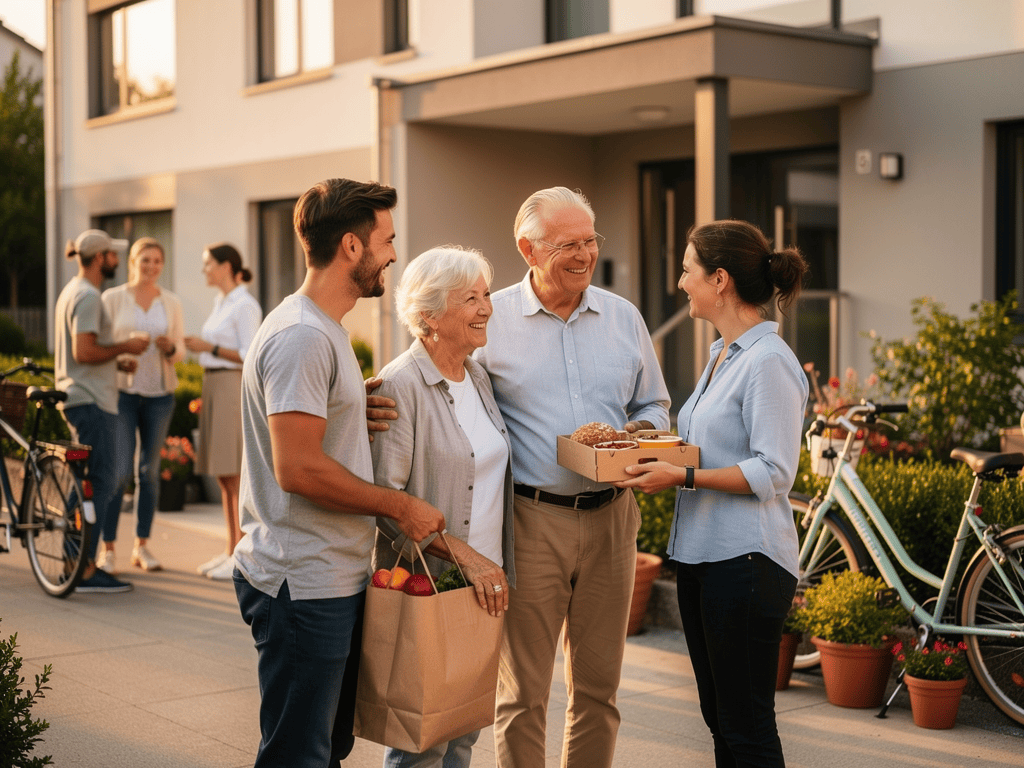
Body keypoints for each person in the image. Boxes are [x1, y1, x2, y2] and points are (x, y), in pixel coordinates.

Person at [366, 187, 670, 767]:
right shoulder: (489, 320)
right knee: (520, 693)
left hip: (613, 518)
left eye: (590, 241)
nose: (584, 255)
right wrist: (364, 401)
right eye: (567, 245)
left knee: (600, 690)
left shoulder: (623, 316)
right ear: (528, 249)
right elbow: (430, 380)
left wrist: (637, 435)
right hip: (531, 522)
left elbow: (654, 404)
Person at [232, 178, 447, 768]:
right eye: (387, 240)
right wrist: (399, 506)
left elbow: (307, 435)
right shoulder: (303, 336)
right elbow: (298, 468)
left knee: (326, 748)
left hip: (328, 577)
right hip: (304, 582)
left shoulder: (321, 328)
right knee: (299, 755)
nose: (394, 255)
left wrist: (351, 405)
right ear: (352, 246)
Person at [615, 219, 808, 768]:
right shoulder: (723, 352)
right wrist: (648, 443)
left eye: (687, 271)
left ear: (719, 280)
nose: (681, 283)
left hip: (746, 563)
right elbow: (712, 446)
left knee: (746, 729)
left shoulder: (768, 361)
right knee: (720, 720)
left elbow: (773, 471)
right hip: (704, 559)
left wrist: (682, 477)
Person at [370, 245, 514, 768]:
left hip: (482, 586)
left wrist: (485, 566)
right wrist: (467, 559)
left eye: (486, 295)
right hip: (432, 585)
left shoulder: (477, 376)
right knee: (423, 741)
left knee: (464, 730)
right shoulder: (400, 385)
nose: (486, 308)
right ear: (429, 315)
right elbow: (387, 503)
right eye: (470, 299)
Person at [54, 229, 150, 594]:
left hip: (82, 396)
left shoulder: (72, 291)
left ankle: (75, 562)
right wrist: (124, 345)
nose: (116, 260)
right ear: (99, 258)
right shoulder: (89, 296)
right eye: (111, 254)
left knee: (92, 481)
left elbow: (85, 353)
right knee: (101, 481)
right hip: (91, 401)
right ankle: (81, 567)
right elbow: (83, 351)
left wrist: (116, 362)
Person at [99, 237, 186, 573]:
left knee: (149, 473)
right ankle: (107, 549)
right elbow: (101, 345)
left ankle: (142, 546)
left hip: (159, 396)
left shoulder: (171, 302)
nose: (151, 266)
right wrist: (123, 353)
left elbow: (180, 350)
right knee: (120, 472)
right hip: (122, 394)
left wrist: (170, 348)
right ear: (133, 262)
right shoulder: (112, 298)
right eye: (145, 260)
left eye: (157, 261)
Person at [184, 243, 262, 581]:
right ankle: (232, 548)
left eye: (208, 264)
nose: (204, 270)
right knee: (222, 474)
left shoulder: (245, 305)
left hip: (231, 384)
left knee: (233, 474)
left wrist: (209, 347)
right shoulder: (222, 302)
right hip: (214, 383)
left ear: (226, 267)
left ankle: (241, 552)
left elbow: (250, 354)